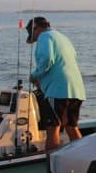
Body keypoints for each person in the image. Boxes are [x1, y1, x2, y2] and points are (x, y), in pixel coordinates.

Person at [26, 16, 86, 152]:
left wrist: (34, 76)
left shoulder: (44, 37)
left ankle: (51, 165)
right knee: (72, 127)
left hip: (58, 90)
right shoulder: (62, 37)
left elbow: (48, 59)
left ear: (36, 28)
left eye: (32, 35)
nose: (34, 39)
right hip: (76, 89)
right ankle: (82, 157)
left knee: (53, 128)